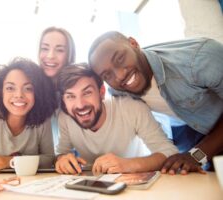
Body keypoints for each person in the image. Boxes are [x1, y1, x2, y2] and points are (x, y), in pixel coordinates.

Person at [88, 31, 223, 175]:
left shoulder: (200, 59)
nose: (120, 75)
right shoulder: (118, 91)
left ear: (133, 43)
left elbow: (197, 155)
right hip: (191, 131)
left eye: (120, 59)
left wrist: (196, 156)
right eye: (107, 75)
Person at [55, 64, 178, 175]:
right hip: (92, 186)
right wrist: (62, 160)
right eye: (70, 96)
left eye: (87, 93)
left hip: (134, 183)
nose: (80, 105)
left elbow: (169, 152)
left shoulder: (131, 108)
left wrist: (127, 164)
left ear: (101, 92)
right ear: (64, 101)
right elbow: (62, 153)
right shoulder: (65, 118)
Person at [38, 26, 76, 146]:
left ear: (69, 55)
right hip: (42, 159)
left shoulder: (77, 87)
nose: (50, 56)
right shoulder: (31, 88)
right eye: (44, 48)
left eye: (59, 50)